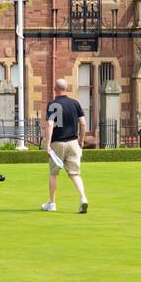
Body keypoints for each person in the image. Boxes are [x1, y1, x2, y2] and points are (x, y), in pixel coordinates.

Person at [41, 78, 89, 214]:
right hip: (73, 142)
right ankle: (83, 198)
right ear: (66, 88)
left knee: (53, 173)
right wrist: (81, 140)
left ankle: (52, 203)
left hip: (58, 143)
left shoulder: (52, 104)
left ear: (55, 89)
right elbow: (83, 123)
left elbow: (50, 124)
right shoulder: (75, 103)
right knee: (75, 173)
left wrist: (48, 144)